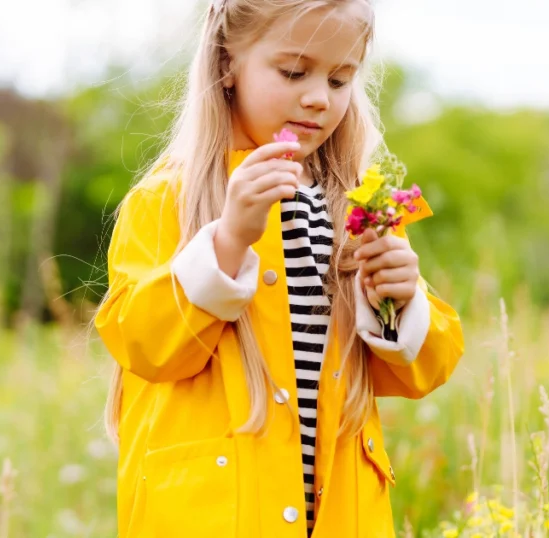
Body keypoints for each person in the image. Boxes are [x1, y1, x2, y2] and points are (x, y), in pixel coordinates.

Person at [93, 0, 465, 536]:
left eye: (340, 80)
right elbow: (140, 344)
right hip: (219, 513)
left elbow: (422, 370)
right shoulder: (170, 197)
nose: (318, 98)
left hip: (340, 513)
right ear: (227, 63)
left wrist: (402, 299)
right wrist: (228, 239)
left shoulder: (357, 205)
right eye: (293, 72)